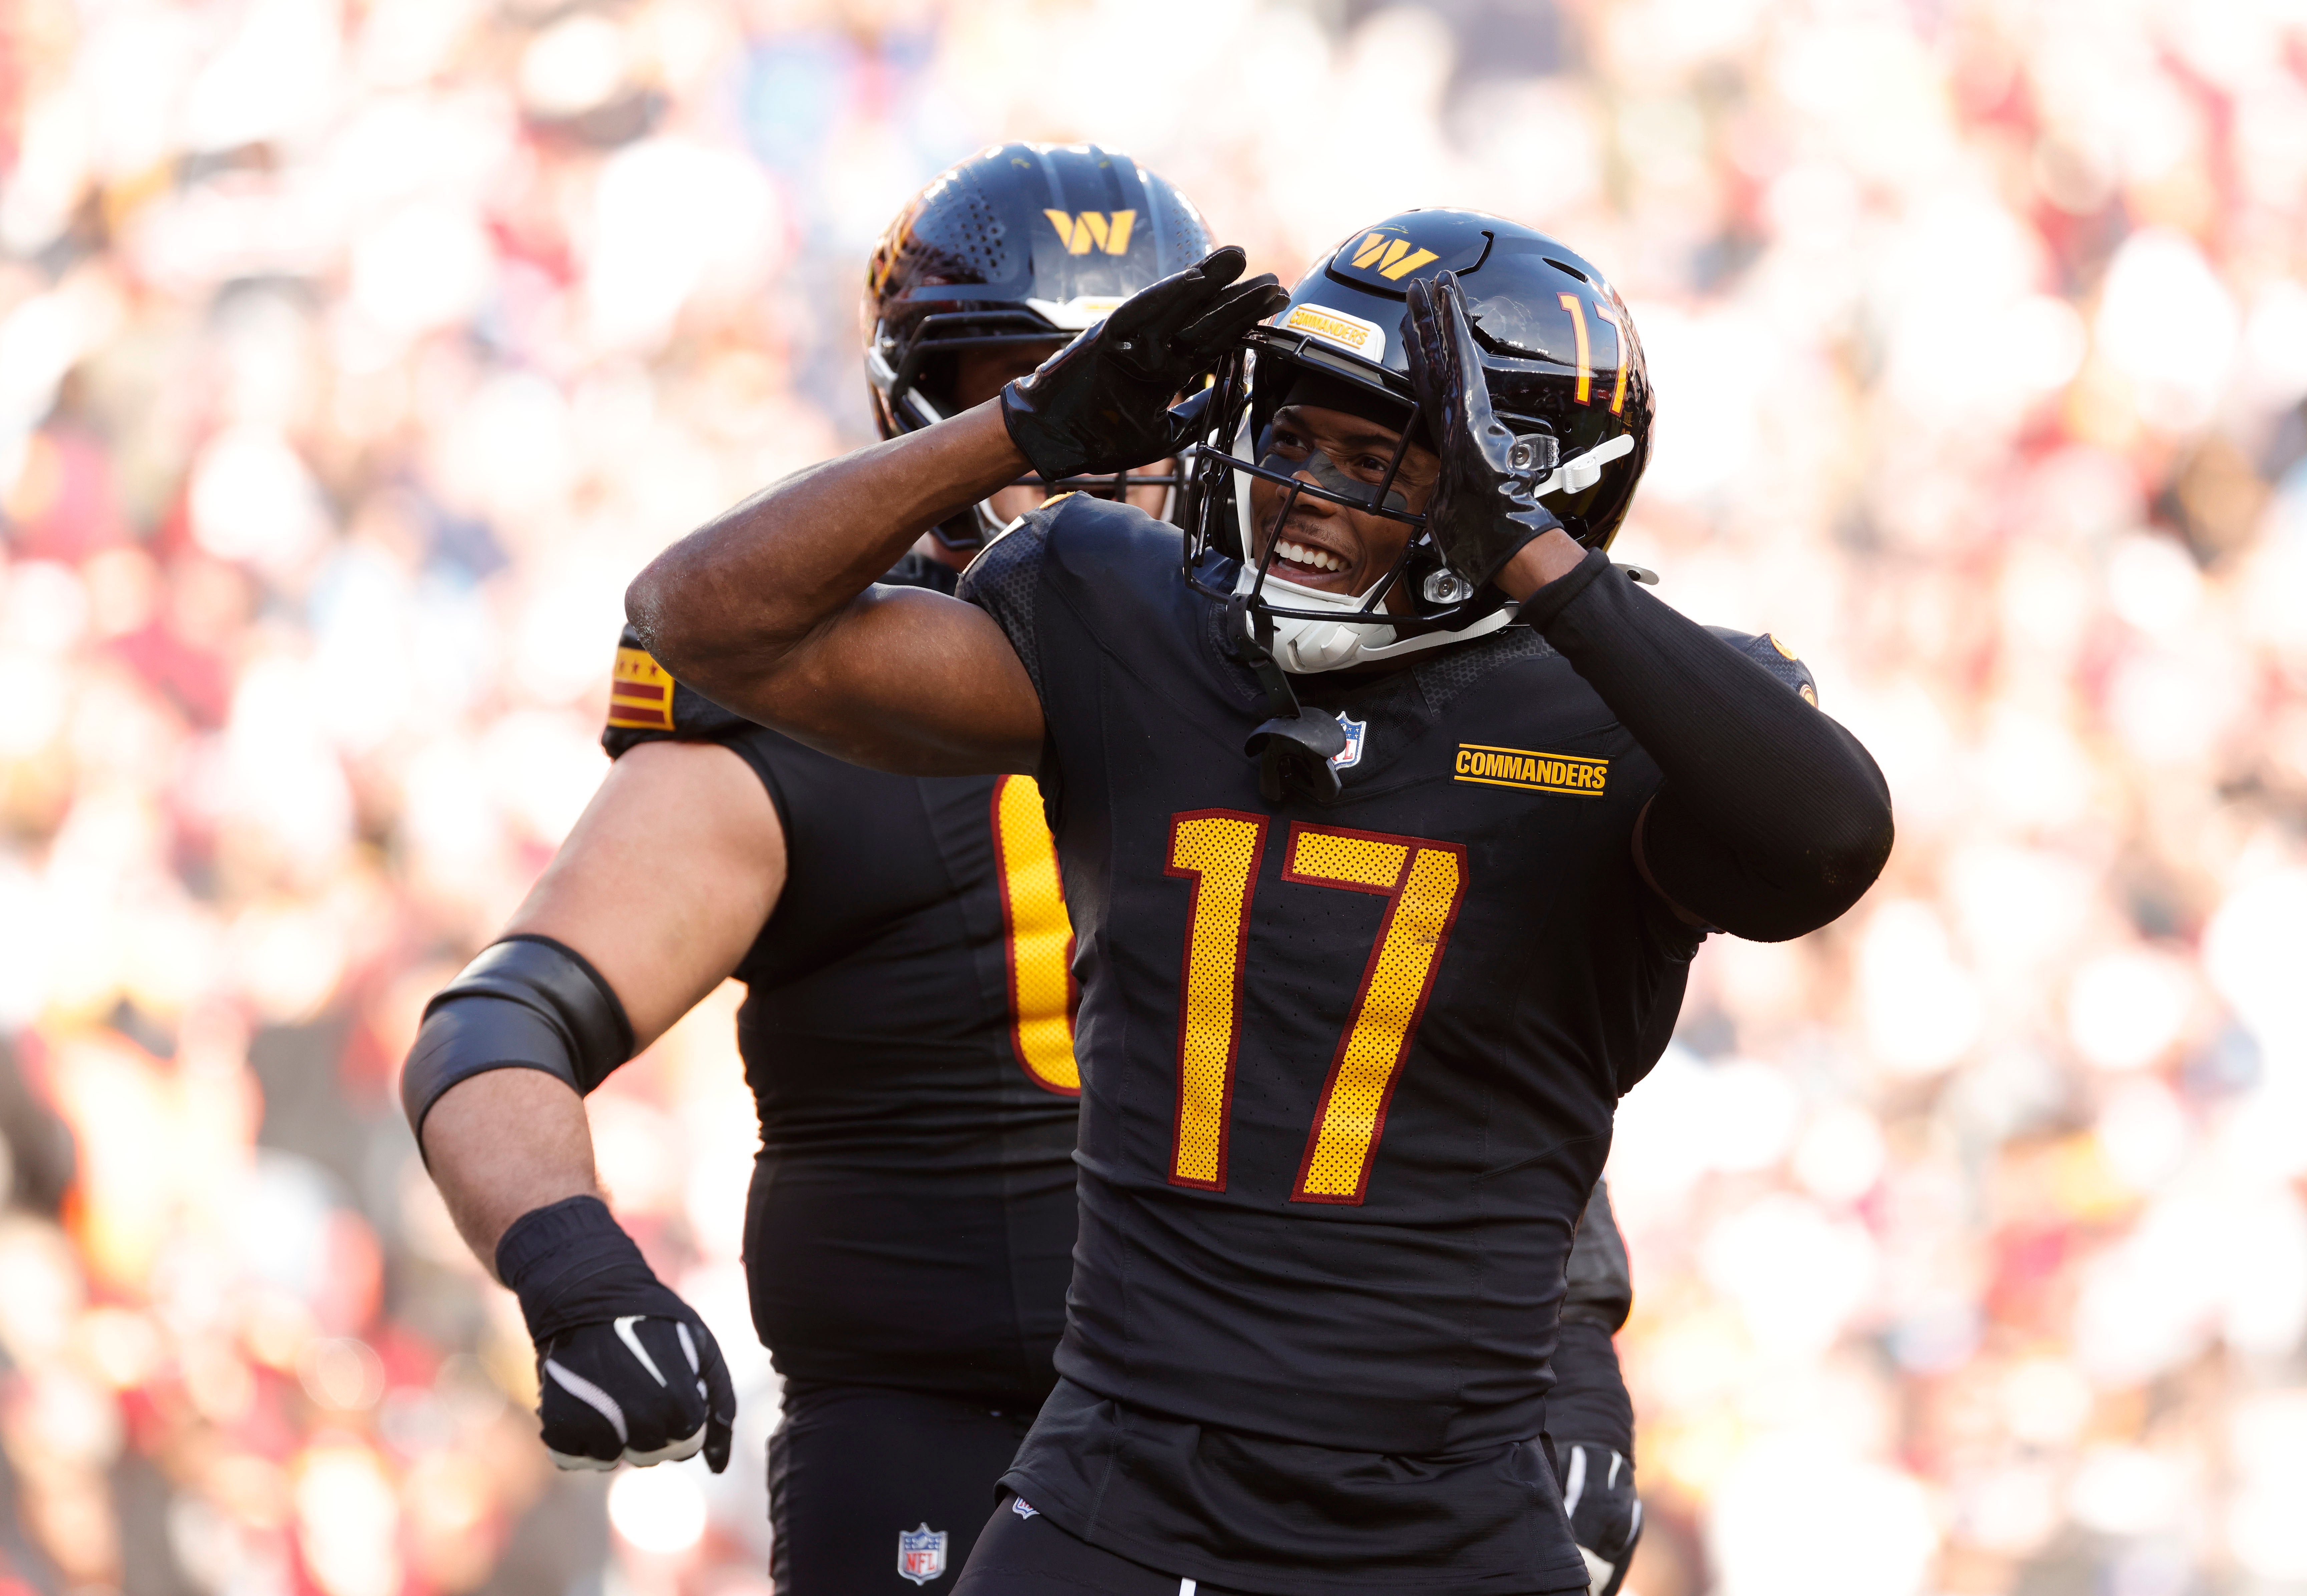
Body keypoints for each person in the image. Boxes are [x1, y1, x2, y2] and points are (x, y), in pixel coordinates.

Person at [629, 210, 1874, 1591]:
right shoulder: (1129, 616)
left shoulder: (1647, 716)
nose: (1301, 491)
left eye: (1376, 456)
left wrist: (1526, 558)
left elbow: (1829, 839)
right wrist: (1017, 432)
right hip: (1117, 1491)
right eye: (1287, 435)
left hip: (1440, 1524)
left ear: (1530, 486)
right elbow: (701, 617)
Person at [398, 142, 1219, 1592]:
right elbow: (496, 1025)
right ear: (931, 402)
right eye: (1045, 391)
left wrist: (1573, 1343)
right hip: (946, 1435)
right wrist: (576, 1270)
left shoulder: (1269, 666)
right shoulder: (807, 693)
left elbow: (1430, 1046)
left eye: (1135, 392)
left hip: (1254, 1418)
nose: (1098, 450)